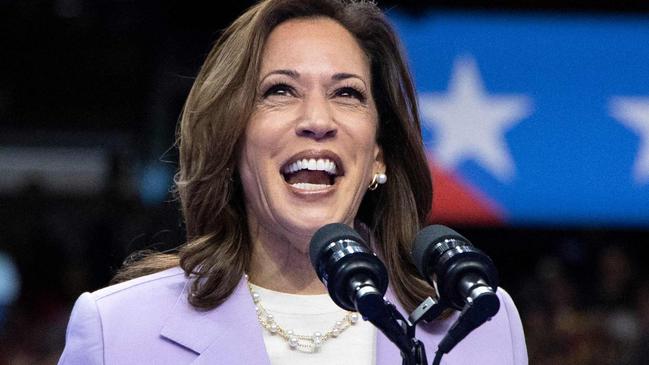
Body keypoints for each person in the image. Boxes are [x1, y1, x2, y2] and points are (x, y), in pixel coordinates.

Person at [58, 0, 527, 364]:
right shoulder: (117, 330)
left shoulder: (478, 318)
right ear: (232, 140)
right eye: (280, 91)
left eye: (347, 93)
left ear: (378, 156)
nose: (318, 120)